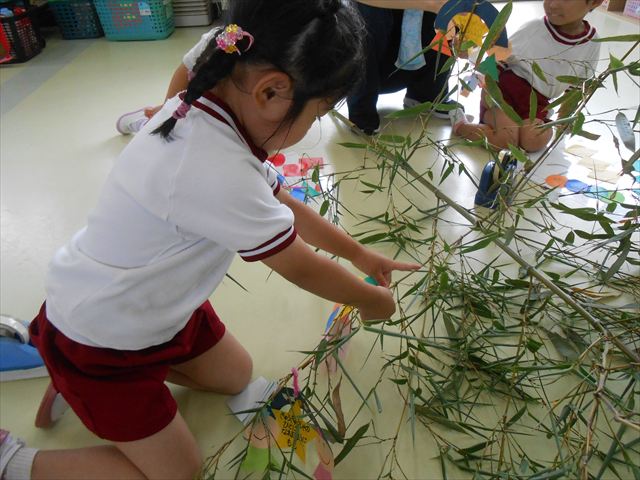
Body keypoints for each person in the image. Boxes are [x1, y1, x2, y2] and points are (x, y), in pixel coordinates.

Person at [0, 1, 421, 479]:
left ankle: (79, 380)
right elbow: (301, 266)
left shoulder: (215, 88)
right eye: (320, 112)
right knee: (179, 471)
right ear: (271, 91)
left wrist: (359, 253)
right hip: (102, 342)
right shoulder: (214, 169)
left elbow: (284, 204)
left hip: (158, 307)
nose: (313, 127)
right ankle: (17, 454)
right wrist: (369, 299)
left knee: (236, 375)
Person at [117, 0, 458, 137]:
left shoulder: (275, 50)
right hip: (202, 114)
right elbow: (189, 68)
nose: (313, 124)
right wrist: (170, 106)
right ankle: (152, 119)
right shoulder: (230, 44)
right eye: (315, 116)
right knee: (175, 119)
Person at [450, 0, 603, 153]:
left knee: (534, 141)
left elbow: (577, 86)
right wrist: (479, 85)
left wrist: (563, 118)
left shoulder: (592, 42)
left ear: (595, 2)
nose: (553, 4)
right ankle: (461, 125)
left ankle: (528, 125)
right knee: (506, 140)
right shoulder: (535, 28)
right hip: (503, 95)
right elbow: (498, 57)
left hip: (536, 104)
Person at [347, 0, 458, 135]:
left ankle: (426, 93)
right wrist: (431, 5)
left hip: (413, 61)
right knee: (367, 12)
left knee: (450, 11)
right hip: (372, 67)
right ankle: (361, 108)